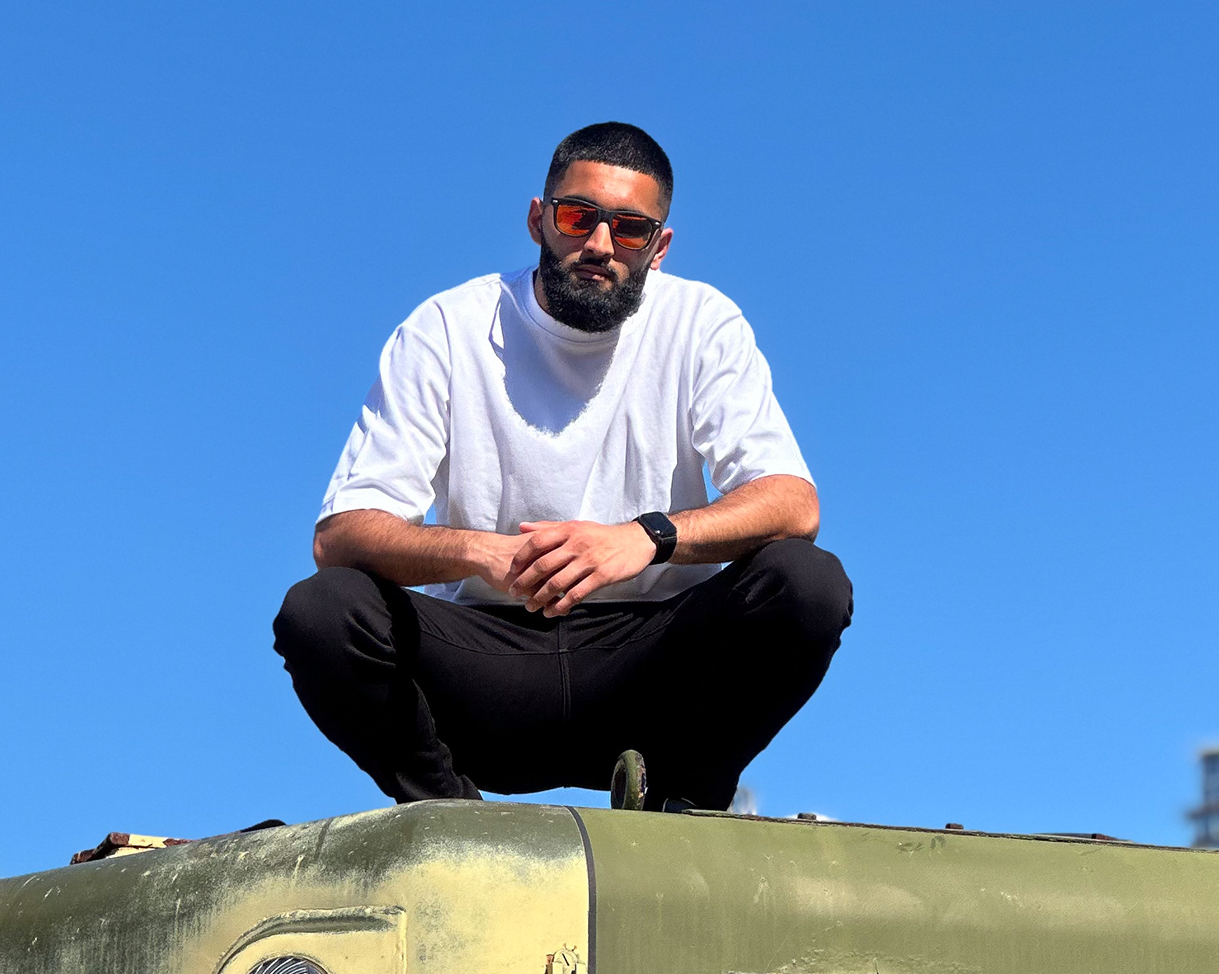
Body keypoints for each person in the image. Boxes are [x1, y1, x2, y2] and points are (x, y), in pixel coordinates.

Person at [273, 121, 851, 810]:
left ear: (659, 247)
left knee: (807, 584)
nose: (600, 246)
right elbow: (338, 538)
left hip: (653, 673)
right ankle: (450, 823)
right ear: (538, 220)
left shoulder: (702, 323)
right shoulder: (447, 327)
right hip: (489, 672)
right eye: (579, 218)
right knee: (322, 611)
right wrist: (479, 554)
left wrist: (642, 538)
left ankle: (684, 808)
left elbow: (792, 503)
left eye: (629, 229)